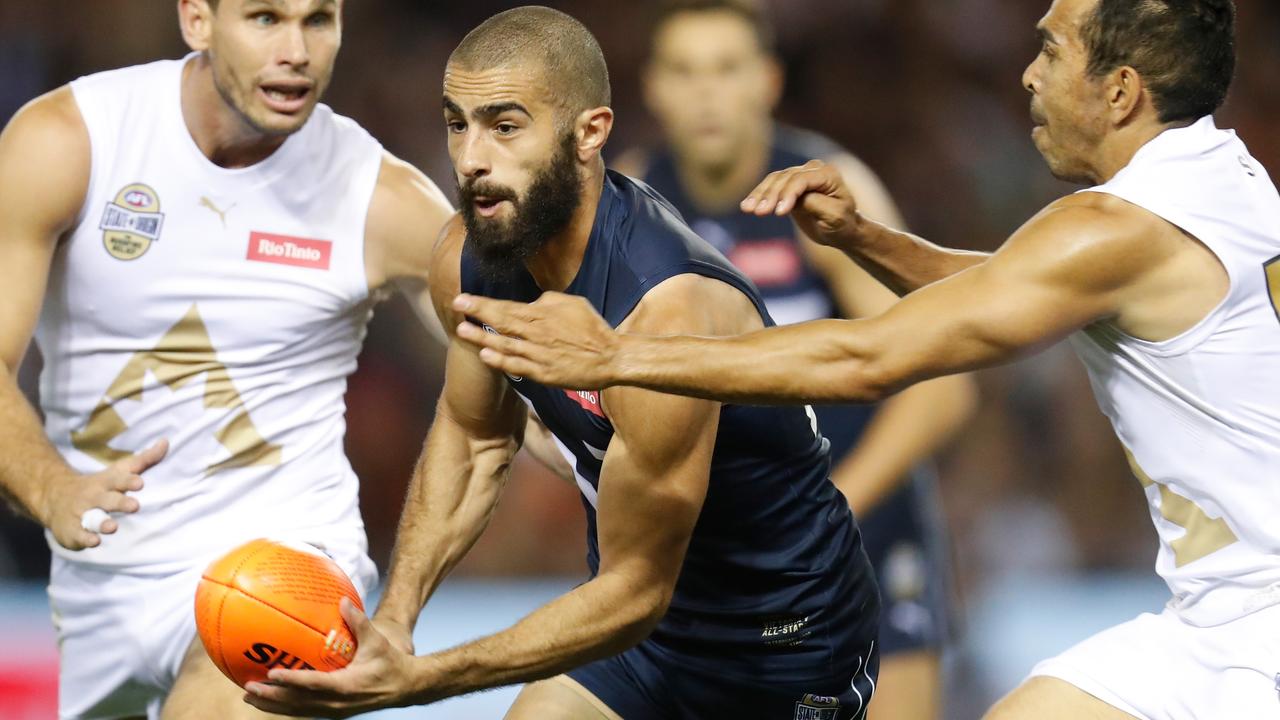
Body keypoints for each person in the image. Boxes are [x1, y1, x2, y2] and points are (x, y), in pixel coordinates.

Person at [456, 0, 1280, 718]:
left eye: (1053, 47)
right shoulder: (1220, 179)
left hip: (1260, 637)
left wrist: (620, 355)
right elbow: (1007, 286)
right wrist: (862, 239)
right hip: (1212, 622)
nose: (1029, 73)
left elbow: (869, 357)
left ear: (1122, 90)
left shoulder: (1117, 228)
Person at [245, 6, 881, 719]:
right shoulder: (469, 255)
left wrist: (420, 682)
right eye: (459, 123)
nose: (471, 159)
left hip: (782, 645)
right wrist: (394, 623)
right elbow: (476, 436)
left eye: (505, 125)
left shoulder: (665, 309)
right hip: (648, 643)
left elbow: (636, 590)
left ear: (590, 132)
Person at [0, 1, 567, 717]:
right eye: (265, 18)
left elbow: (523, 372)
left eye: (318, 20)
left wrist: (617, 464)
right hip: (100, 586)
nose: (298, 50)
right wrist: (51, 487)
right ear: (197, 21)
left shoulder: (380, 197)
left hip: (283, 565)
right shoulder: (70, 140)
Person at [614, 3, 976, 716]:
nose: (707, 94)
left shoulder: (823, 192)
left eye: (727, 69)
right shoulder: (627, 204)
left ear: (768, 81)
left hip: (864, 535)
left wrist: (834, 507)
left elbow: (943, 387)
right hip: (717, 553)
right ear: (653, 88)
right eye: (685, 72)